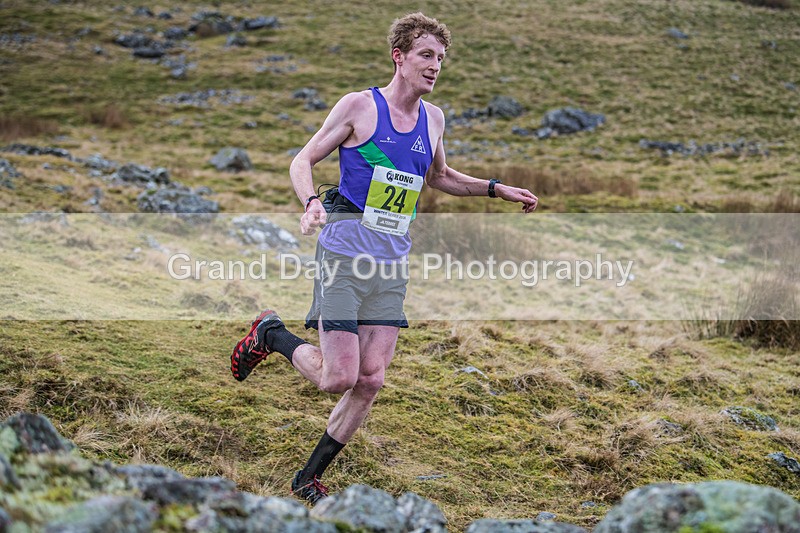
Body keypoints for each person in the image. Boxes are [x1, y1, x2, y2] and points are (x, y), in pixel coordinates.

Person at [230, 12, 538, 505]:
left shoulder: (433, 119)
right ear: (399, 56)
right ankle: (271, 333)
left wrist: (496, 189)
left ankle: (307, 479)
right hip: (345, 253)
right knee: (339, 378)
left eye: (441, 58)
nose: (435, 66)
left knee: (370, 379)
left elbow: (439, 177)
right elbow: (302, 160)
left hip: (391, 261)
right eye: (426, 56)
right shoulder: (359, 107)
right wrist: (311, 203)